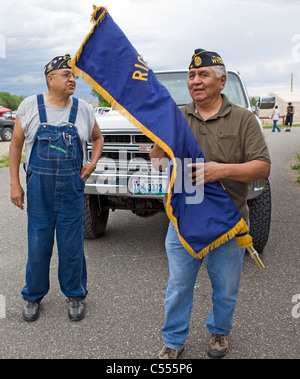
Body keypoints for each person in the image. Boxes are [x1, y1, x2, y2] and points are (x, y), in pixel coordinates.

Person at [150, 49, 271, 359]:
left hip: (227, 223)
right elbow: (158, 163)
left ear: (222, 81)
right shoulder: (176, 116)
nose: (196, 81)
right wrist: (157, 152)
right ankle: (173, 341)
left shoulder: (243, 119)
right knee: (178, 287)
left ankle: (219, 333)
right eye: (191, 76)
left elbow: (262, 167)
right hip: (185, 221)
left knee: (225, 289)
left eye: (203, 75)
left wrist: (222, 170)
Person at [9, 55, 104, 322]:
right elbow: (15, 146)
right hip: (38, 188)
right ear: (50, 79)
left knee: (71, 245)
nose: (72, 79)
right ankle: (33, 296)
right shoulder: (30, 106)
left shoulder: (83, 108)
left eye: (73, 75)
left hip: (71, 188)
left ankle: (75, 294)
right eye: (66, 74)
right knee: (38, 245)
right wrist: (15, 184)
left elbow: (98, 138)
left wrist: (93, 162)